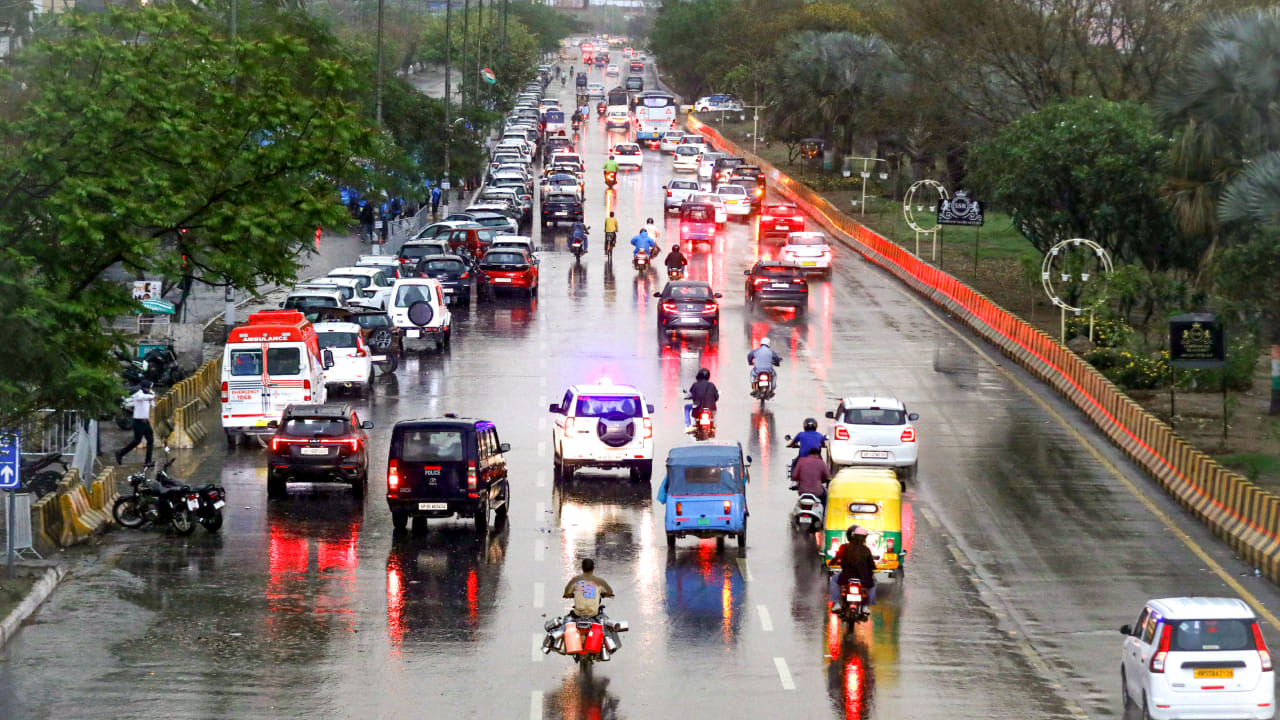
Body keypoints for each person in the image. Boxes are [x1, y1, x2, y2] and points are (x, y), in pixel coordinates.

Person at [831, 526, 877, 610]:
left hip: (846, 576)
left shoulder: (844, 547)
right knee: (873, 583)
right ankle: (866, 606)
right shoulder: (866, 550)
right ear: (864, 538)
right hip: (864, 578)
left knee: (834, 580)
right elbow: (872, 565)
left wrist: (831, 563)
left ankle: (836, 603)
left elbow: (836, 558)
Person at [116, 381, 157, 466]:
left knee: (150, 440)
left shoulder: (148, 396)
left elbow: (153, 405)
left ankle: (148, 461)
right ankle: (120, 453)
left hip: (145, 421)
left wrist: (152, 397)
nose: (149, 389)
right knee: (137, 441)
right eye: (148, 388)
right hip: (138, 421)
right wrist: (152, 396)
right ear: (145, 388)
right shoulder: (139, 394)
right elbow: (142, 397)